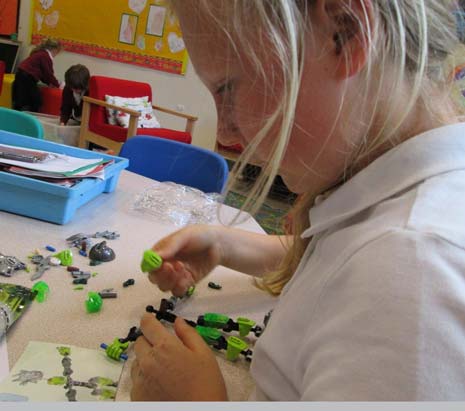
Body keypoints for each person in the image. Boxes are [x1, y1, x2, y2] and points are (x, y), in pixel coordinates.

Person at [130, 0, 465, 401]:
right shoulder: (395, 217)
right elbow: (338, 262)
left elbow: (377, 268)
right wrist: (225, 244)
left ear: (346, 31)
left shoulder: (412, 266)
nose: (226, 131)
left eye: (227, 87)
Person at [12, 38, 62, 112]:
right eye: (57, 52)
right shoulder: (45, 56)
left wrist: (49, 83)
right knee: (36, 101)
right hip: (27, 78)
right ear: (55, 50)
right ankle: (29, 117)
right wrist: (58, 85)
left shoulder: (40, 53)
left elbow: (42, 74)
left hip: (21, 75)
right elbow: (48, 74)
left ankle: (19, 115)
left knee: (21, 100)